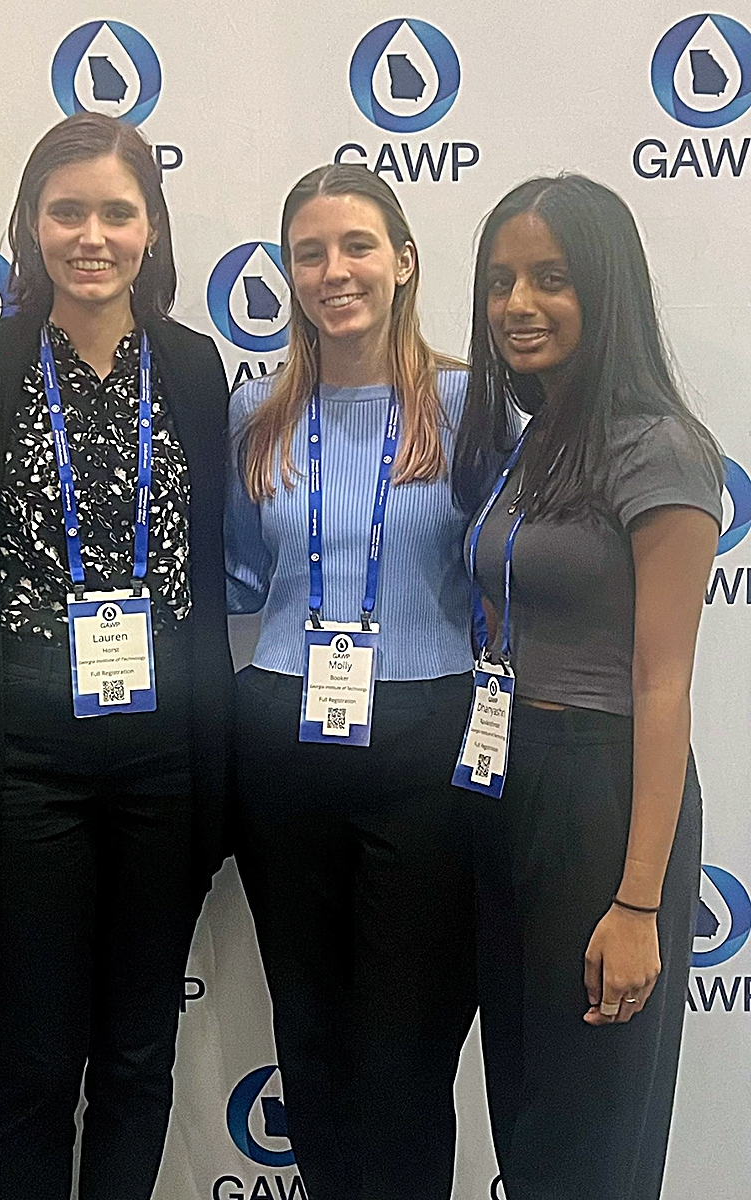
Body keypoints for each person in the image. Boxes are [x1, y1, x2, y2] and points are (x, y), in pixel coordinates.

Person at [0, 111, 233, 1200]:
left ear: (151, 227)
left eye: (116, 211)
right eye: (67, 211)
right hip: (25, 765)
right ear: (31, 225)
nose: (91, 235)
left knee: (140, 1059)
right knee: (40, 1063)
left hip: (166, 762)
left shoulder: (195, 370)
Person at [452, 174, 722, 1199]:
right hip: (508, 784)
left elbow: (663, 684)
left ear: (605, 292)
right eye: (501, 280)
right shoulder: (538, 437)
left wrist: (638, 901)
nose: (518, 303)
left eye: (551, 279)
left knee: (589, 1136)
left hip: (601, 794)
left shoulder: (662, 449)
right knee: (529, 1119)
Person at [225, 163, 477, 1199]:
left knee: (408, 1047)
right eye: (311, 253)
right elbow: (245, 574)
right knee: (314, 1035)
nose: (335, 271)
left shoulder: (475, 407)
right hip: (285, 735)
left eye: (357, 246)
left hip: (431, 739)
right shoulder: (257, 414)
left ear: (405, 260)